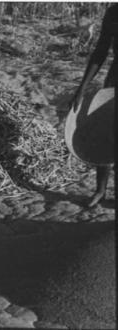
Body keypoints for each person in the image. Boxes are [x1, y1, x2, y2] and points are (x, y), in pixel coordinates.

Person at [69, 3, 117, 208]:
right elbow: (100, 51)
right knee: (106, 133)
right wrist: (82, 88)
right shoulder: (114, 12)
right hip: (115, 79)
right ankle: (100, 190)